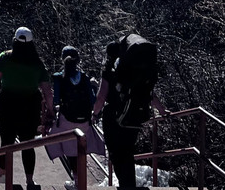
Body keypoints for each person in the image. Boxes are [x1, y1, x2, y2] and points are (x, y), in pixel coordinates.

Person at [0, 26, 55, 188]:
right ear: (31, 43)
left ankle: (2, 174)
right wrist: (50, 109)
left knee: (6, 141)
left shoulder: (5, 57)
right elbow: (47, 91)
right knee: (27, 142)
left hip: (8, 103)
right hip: (30, 105)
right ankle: (29, 180)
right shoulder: (37, 62)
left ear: (14, 40)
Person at [92, 34, 167, 189]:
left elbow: (101, 97)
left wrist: (93, 114)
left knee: (116, 153)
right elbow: (148, 93)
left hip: (114, 115)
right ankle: (129, 185)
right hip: (135, 114)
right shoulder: (131, 71)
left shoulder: (109, 69)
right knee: (127, 151)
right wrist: (162, 110)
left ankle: (127, 186)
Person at [46, 45, 103, 189]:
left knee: (64, 146)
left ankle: (77, 182)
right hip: (84, 120)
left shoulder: (59, 77)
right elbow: (92, 99)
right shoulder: (85, 78)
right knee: (80, 149)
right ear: (78, 60)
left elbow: (57, 100)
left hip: (67, 119)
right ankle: (80, 180)